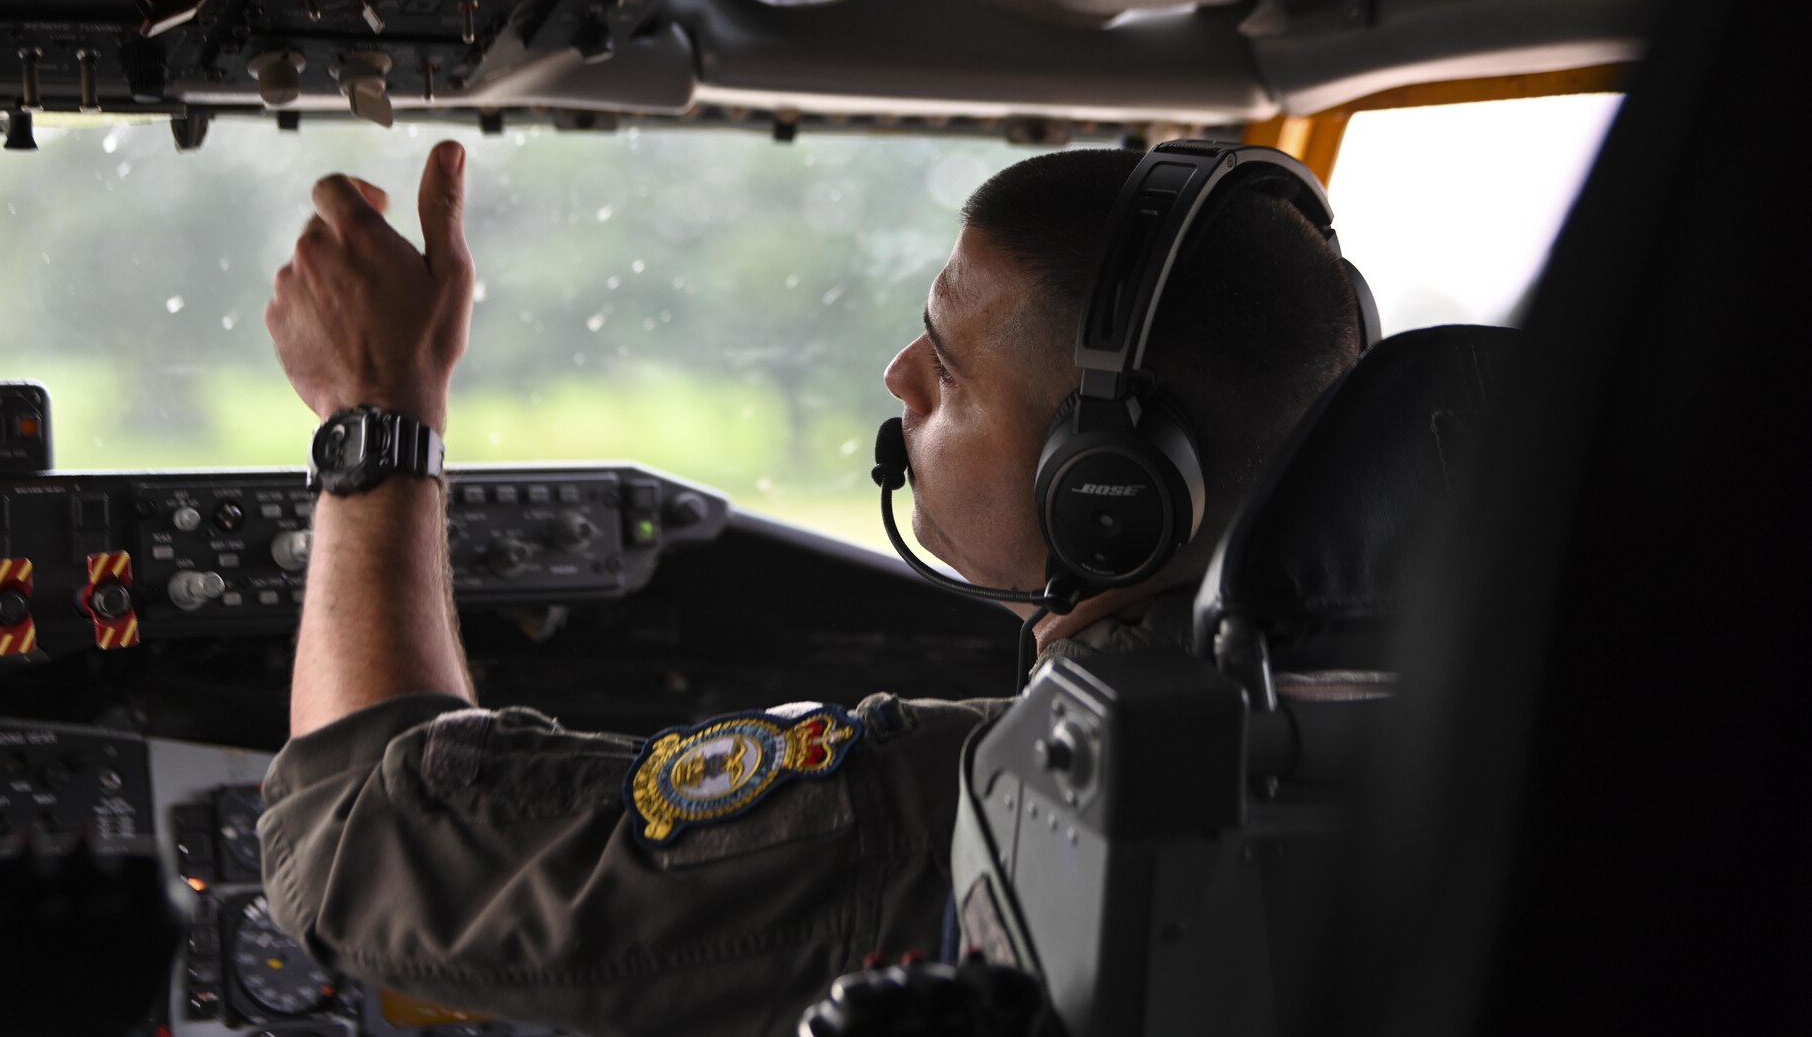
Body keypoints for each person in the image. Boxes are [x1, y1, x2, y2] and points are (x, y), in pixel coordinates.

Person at [256, 138, 1364, 1037]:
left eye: (948, 364)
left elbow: (355, 839)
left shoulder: (981, 805)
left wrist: (378, 410)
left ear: (1105, 489)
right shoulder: (1456, 727)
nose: (900, 374)